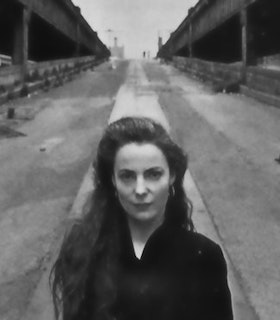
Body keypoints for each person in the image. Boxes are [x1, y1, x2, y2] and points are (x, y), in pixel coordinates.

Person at [50, 116, 233, 320]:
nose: (140, 189)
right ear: (113, 180)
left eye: (153, 174)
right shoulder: (83, 249)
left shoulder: (204, 257)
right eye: (127, 176)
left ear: (172, 176)